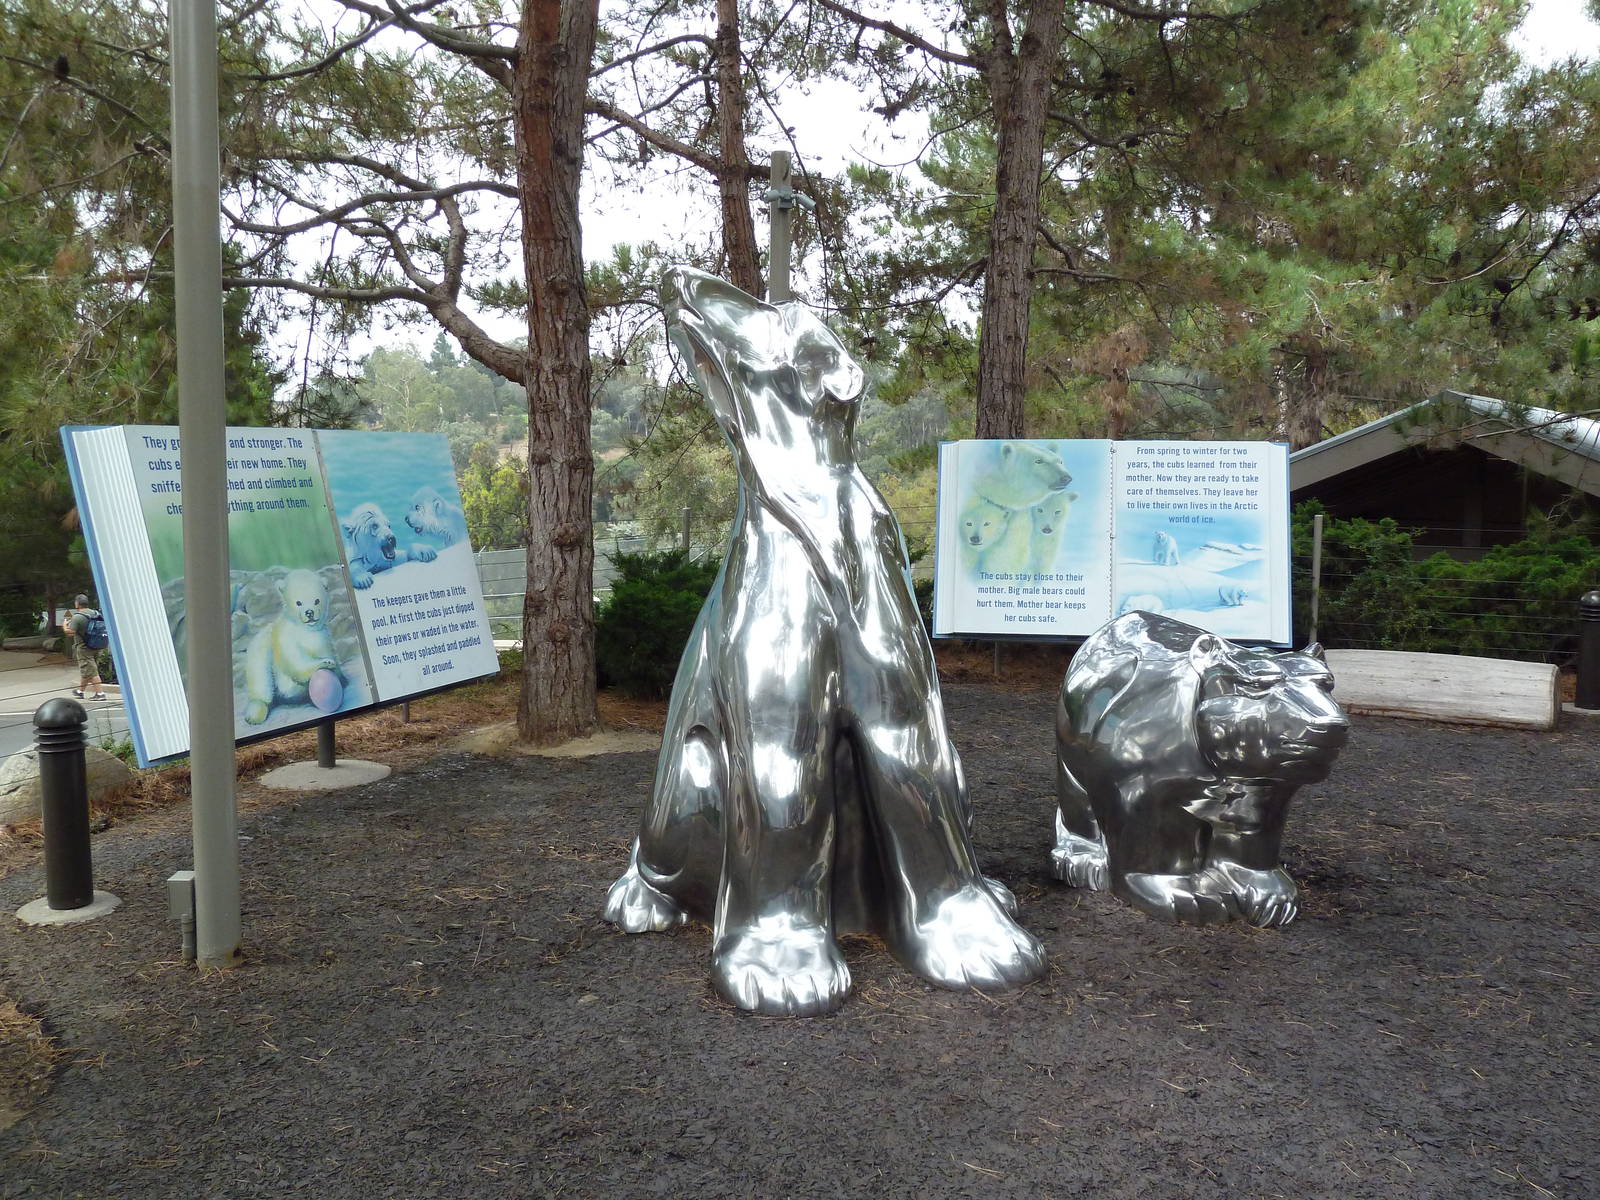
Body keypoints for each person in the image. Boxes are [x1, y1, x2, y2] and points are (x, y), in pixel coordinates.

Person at [61, 594, 107, 701]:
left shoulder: (77, 617)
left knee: (91, 671)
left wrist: (64, 625)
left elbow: (70, 632)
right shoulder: (95, 613)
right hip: (97, 645)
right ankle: (80, 691)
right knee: (87, 669)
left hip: (84, 647)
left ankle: (100, 694)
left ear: (77, 604)